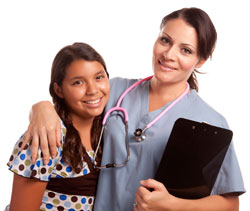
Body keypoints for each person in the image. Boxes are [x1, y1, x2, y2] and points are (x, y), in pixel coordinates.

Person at [21, 7, 245, 211]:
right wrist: (40, 108)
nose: (168, 55)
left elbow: (230, 204)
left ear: (201, 61)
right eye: (165, 40)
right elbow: (70, 103)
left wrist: (171, 204)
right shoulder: (116, 89)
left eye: (186, 50)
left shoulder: (210, 121)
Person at [7, 42, 110, 210]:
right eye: (78, 82)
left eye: (99, 77)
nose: (92, 90)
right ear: (59, 90)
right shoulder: (46, 136)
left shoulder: (105, 130)